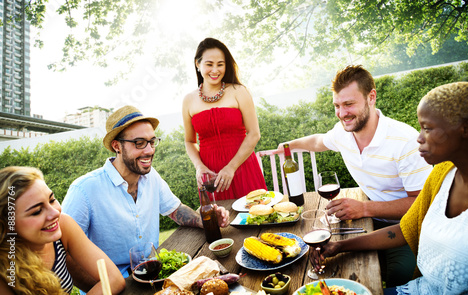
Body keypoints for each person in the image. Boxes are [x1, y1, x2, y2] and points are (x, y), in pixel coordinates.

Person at [316, 82, 468, 294]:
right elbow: (405, 229)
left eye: (427, 128)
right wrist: (339, 247)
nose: (419, 138)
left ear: (466, 128)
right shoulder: (442, 175)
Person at [278, 65, 432, 287]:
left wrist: (365, 208)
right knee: (320, 265)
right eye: (337, 106)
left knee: (398, 278)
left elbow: (420, 203)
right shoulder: (343, 133)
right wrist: (287, 145)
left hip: (408, 227)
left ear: (371, 97)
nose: (342, 113)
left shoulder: (405, 141)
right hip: (367, 222)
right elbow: (318, 141)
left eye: (349, 104)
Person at [61, 105, 230, 283]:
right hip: (110, 282)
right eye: (139, 143)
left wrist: (206, 221)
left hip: (154, 272)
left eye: (151, 141)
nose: (149, 150)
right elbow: (66, 253)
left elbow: (175, 210)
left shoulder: (151, 177)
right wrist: (104, 289)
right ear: (116, 146)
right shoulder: (84, 190)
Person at [0, 166, 125, 294]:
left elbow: (113, 279)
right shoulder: (5, 270)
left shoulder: (63, 224)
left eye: (52, 200)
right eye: (37, 211)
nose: (54, 213)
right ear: (7, 225)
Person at [182, 37, 267, 200]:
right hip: (212, 177)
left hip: (243, 168)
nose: (215, 70)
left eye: (220, 64)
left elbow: (254, 133)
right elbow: (189, 141)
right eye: (209, 64)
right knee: (220, 222)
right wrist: (199, 167)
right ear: (197, 64)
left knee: (257, 217)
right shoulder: (188, 100)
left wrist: (231, 167)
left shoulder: (239, 91)